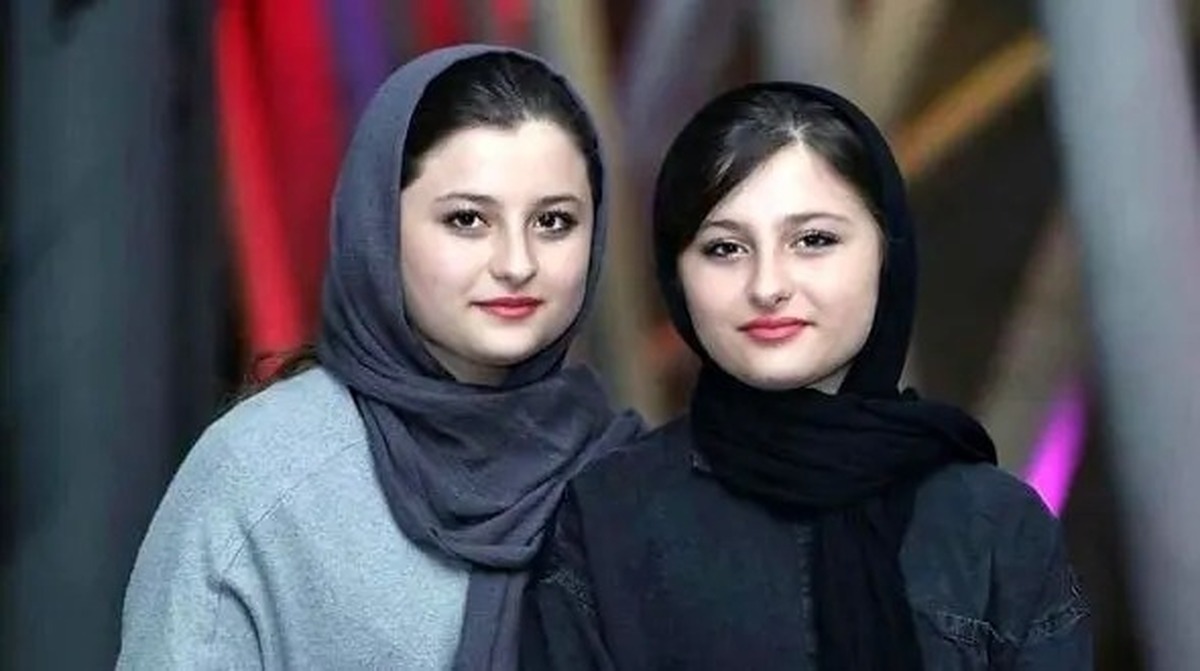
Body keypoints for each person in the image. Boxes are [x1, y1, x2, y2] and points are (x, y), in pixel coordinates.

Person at [522, 82, 1092, 670]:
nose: (768, 286)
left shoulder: (991, 523)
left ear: (886, 254)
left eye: (813, 240)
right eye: (724, 249)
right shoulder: (609, 518)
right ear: (676, 276)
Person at [117, 44, 641, 670]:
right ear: (380, 226)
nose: (517, 263)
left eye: (553, 222)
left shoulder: (629, 478)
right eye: (467, 219)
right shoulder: (263, 476)